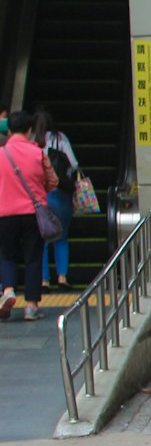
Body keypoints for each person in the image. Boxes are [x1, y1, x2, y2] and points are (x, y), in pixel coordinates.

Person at [0, 108, 58, 321]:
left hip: (5, 213)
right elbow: (53, 181)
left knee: (7, 255)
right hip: (34, 214)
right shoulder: (39, 153)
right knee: (33, 258)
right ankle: (31, 307)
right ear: (29, 130)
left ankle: (8, 291)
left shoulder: (1, 154)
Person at [33, 110, 77, 289]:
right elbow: (74, 164)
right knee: (61, 237)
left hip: (41, 195)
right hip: (60, 194)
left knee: (41, 238)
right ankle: (62, 278)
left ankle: (44, 280)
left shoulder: (32, 141)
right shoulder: (60, 138)